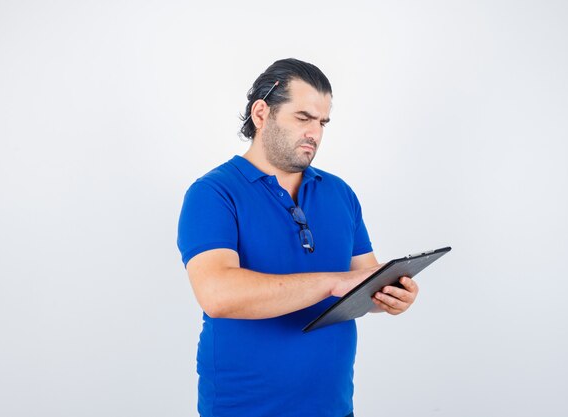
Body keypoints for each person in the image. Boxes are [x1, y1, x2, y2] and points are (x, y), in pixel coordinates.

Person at [177, 58, 419, 417]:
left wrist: (389, 294)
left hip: (333, 407)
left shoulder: (340, 193)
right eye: (303, 118)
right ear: (262, 113)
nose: (315, 133)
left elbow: (362, 283)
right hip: (243, 408)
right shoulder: (213, 193)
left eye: (322, 122)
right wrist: (334, 282)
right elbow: (217, 295)